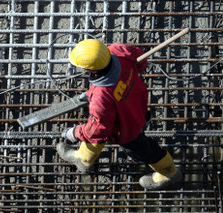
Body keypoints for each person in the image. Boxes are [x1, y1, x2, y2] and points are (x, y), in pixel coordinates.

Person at [56, 39, 182, 190]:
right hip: (138, 104)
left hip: (127, 130)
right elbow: (140, 60)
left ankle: (169, 173)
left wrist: (75, 133)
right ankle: (84, 159)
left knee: (143, 150)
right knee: (102, 128)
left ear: (92, 70)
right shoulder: (117, 50)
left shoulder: (101, 96)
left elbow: (97, 129)